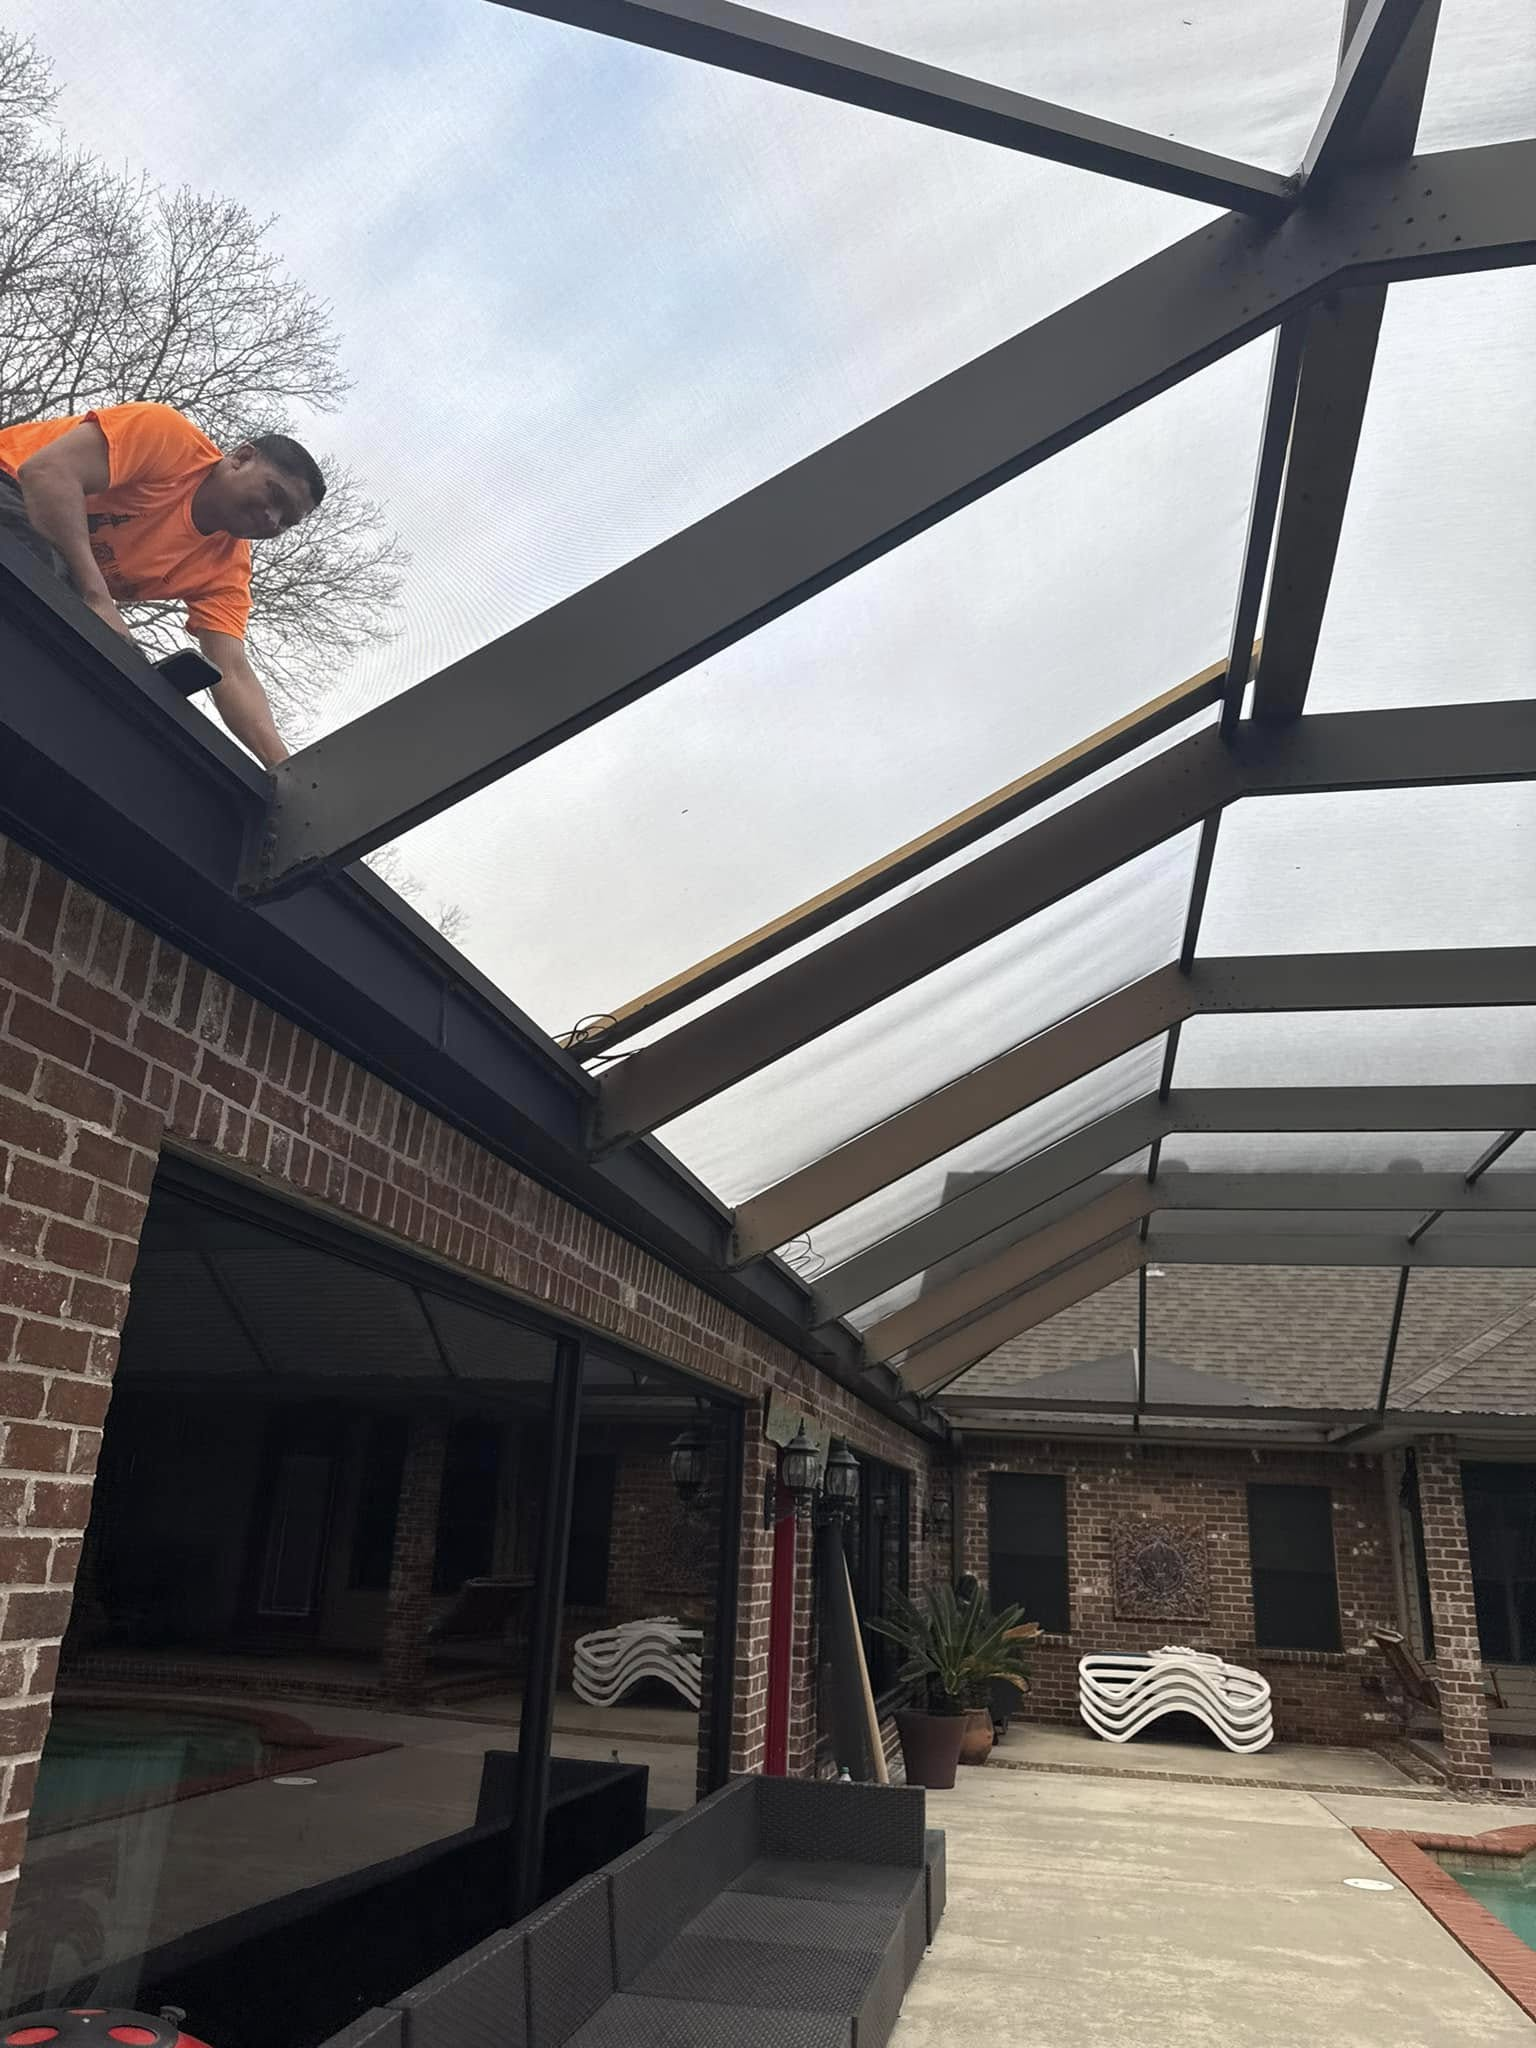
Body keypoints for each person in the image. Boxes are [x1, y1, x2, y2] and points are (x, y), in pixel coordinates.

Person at [0, 401, 325, 767]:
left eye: (286, 523)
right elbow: (45, 472)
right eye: (275, 495)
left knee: (126, 675)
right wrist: (98, 598)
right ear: (241, 457)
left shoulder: (227, 568)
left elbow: (232, 671)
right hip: (9, 487)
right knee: (53, 585)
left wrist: (285, 767)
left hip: (61, 578)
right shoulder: (167, 436)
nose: (272, 519)